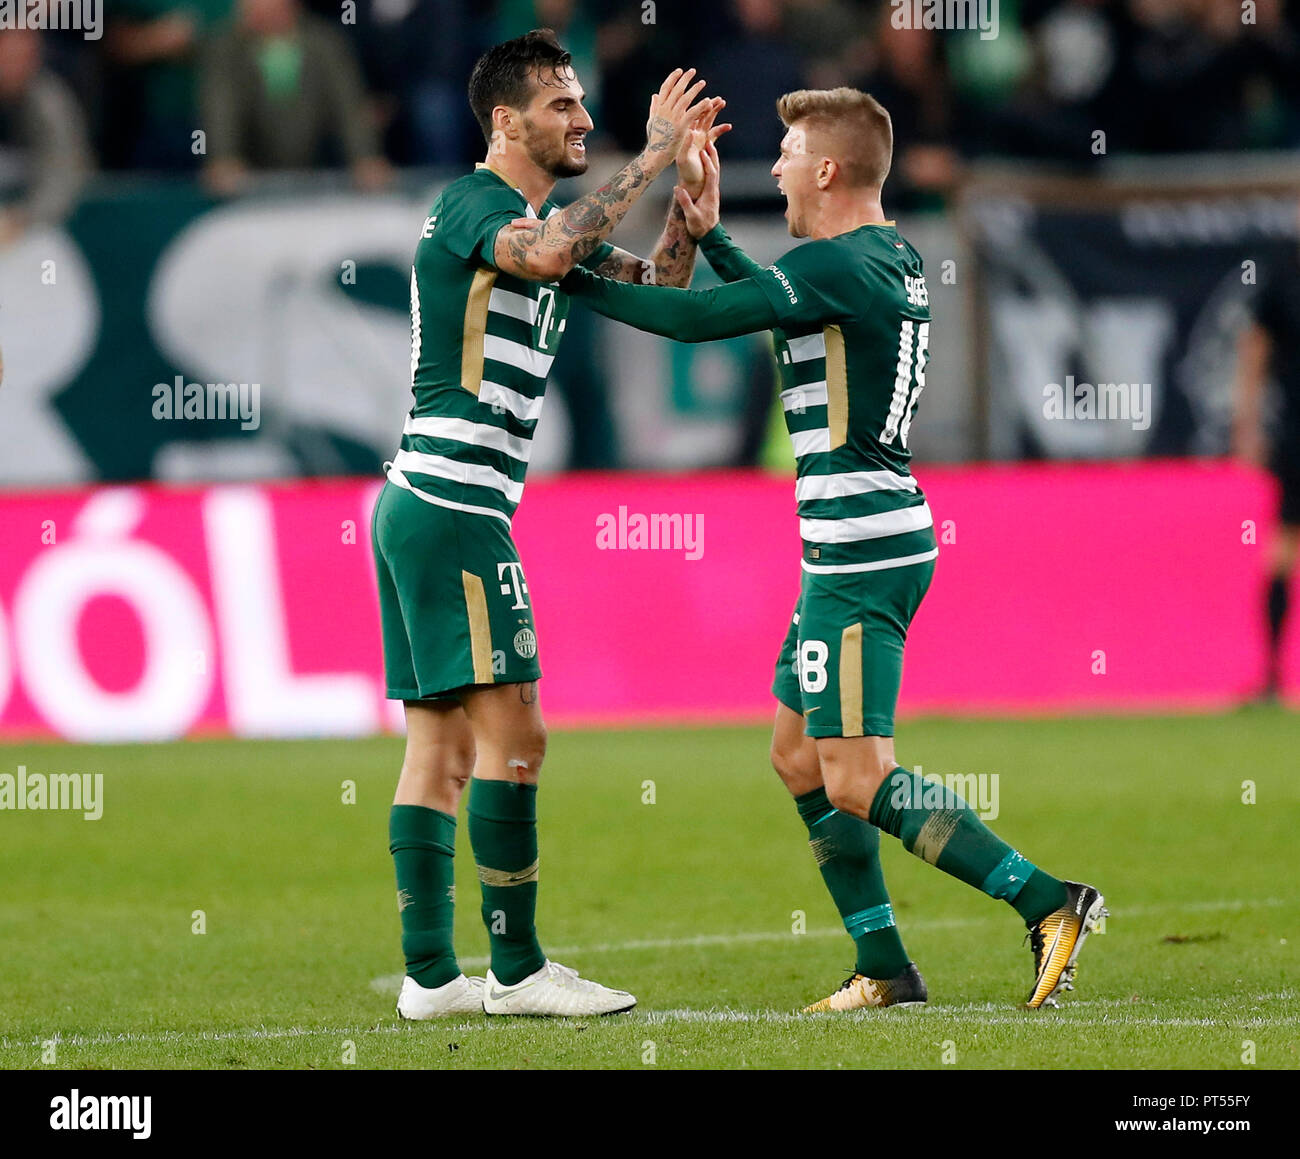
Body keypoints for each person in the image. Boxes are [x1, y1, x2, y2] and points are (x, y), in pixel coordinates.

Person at [552, 87, 1107, 1012]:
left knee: (856, 773)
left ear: (827, 169)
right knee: (798, 753)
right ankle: (882, 965)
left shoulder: (848, 265)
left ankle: (1048, 900)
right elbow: (783, 309)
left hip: (861, 549)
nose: (772, 166)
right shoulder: (874, 258)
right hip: (853, 542)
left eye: (785, 151)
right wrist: (713, 232)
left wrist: (564, 270)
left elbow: (693, 319)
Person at [372, 28, 724, 1020]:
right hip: (451, 505)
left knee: (438, 749)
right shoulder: (474, 205)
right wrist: (650, 156)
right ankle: (517, 968)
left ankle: (432, 979)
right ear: (505, 119)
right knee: (515, 735)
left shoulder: (536, 228)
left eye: (582, 103)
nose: (582, 119)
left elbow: (658, 295)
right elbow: (554, 247)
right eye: (563, 105)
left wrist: (688, 219)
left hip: (429, 503)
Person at [1233, 215, 1300, 702]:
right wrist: (1248, 423)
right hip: (1296, 435)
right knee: (1282, 546)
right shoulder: (1284, 277)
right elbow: (1255, 345)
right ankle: (1272, 672)